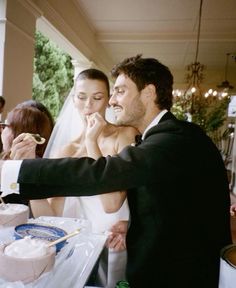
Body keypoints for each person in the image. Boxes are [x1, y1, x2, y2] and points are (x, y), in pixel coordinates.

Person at [1, 55, 232, 288]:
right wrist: (131, 225)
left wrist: (14, 170)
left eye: (119, 91)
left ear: (149, 93)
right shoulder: (166, 136)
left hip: (181, 274)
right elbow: (172, 203)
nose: (111, 101)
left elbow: (104, 173)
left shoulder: (171, 139)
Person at [29, 68, 137, 287]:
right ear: (73, 100)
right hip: (83, 248)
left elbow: (112, 204)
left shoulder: (124, 135)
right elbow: (52, 217)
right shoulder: (65, 150)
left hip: (120, 242)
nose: (88, 105)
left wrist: (91, 142)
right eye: (81, 97)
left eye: (97, 98)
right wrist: (31, 178)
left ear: (108, 101)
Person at [0, 100, 54, 208]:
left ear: (20, 133)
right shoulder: (5, 159)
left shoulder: (37, 170)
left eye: (5, 125)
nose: (2, 130)